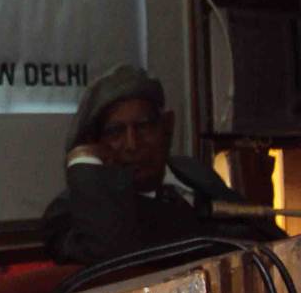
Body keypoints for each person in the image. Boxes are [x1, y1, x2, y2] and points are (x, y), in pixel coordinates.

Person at [42, 64, 285, 264]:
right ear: (96, 144)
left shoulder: (191, 173)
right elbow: (112, 257)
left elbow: (264, 238)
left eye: (144, 126)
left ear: (166, 126)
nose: (132, 144)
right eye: (115, 132)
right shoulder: (70, 213)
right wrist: (83, 161)